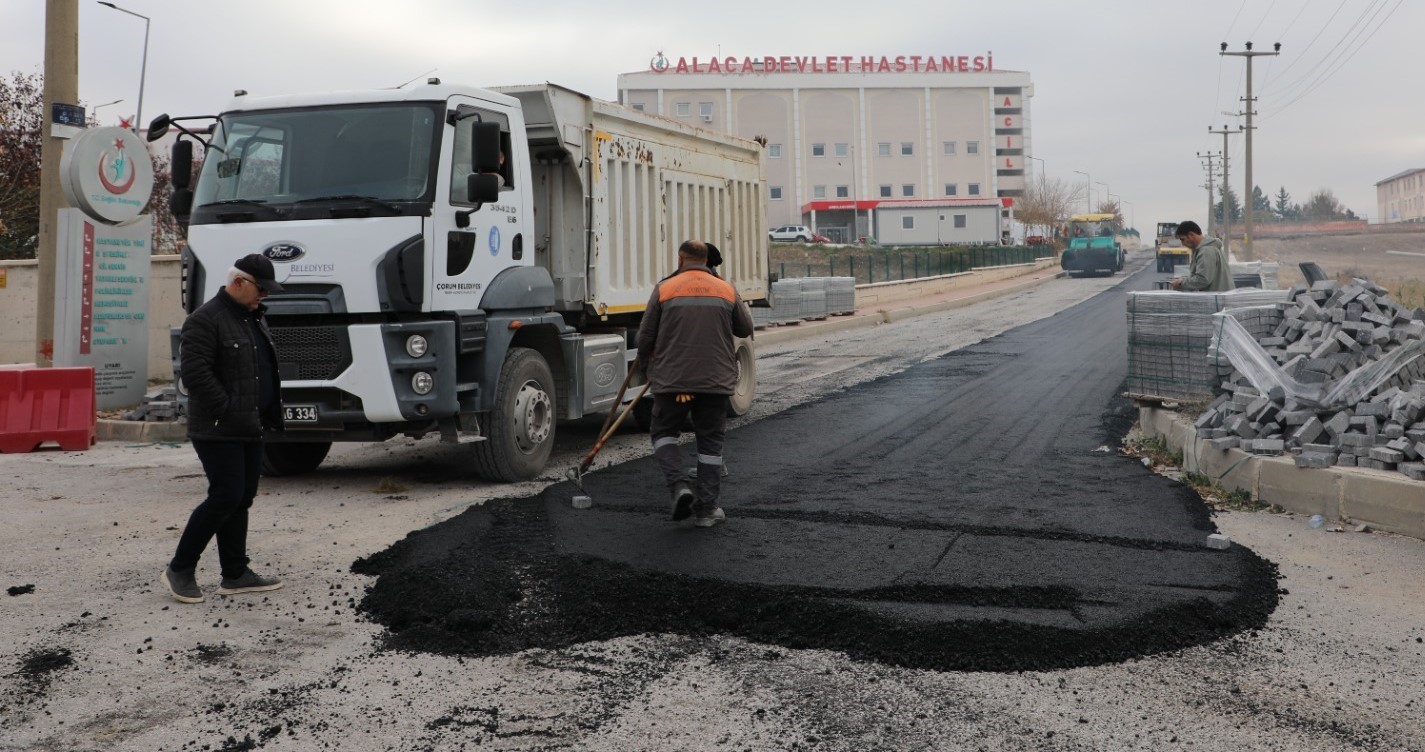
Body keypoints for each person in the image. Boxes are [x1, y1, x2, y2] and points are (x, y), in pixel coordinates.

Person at [161, 254, 287, 603]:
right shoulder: (205, 320)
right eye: (261, 289)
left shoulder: (252, 318)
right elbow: (195, 375)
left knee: (242, 498)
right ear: (238, 283)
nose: (265, 295)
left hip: (250, 424)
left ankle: (235, 573)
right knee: (225, 496)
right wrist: (228, 410)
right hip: (218, 427)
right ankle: (180, 569)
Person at [636, 239, 754, 528]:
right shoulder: (725, 288)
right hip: (714, 384)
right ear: (705, 260)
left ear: (681, 259)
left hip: (673, 383)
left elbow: (644, 338)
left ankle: (679, 487)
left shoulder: (665, 288)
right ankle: (706, 511)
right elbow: (745, 328)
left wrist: (644, 364)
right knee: (710, 443)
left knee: (664, 432)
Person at [1169, 220, 1233, 292]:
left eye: (1183, 239)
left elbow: (1203, 279)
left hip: (1217, 300)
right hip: (1218, 298)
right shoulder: (1206, 248)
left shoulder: (1206, 251)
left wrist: (1181, 283)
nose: (1183, 244)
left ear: (1191, 235)